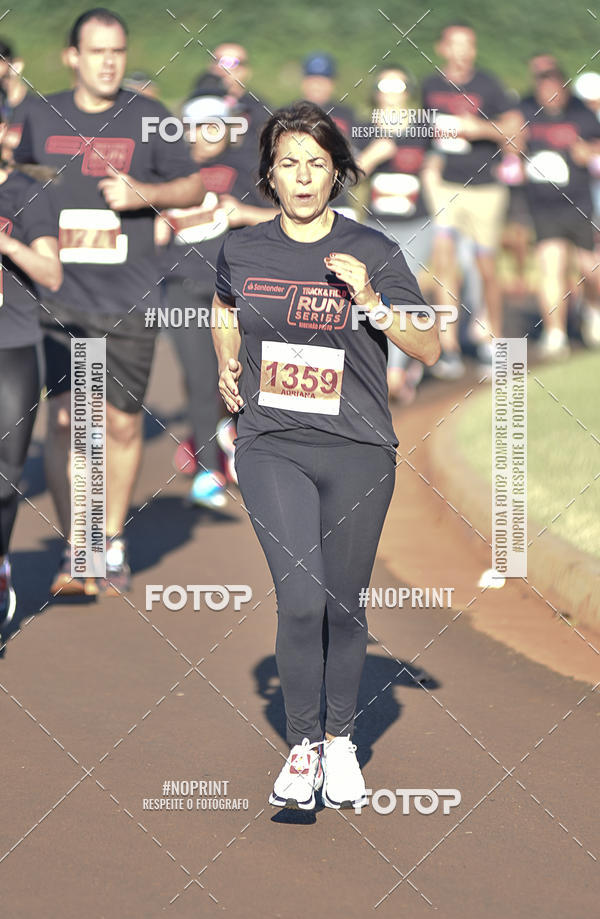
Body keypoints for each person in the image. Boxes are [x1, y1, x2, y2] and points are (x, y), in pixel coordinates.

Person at [212, 101, 440, 809]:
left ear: (336, 172)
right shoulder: (243, 248)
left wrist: (369, 297)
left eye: (317, 163)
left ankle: (342, 739)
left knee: (344, 605)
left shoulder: (372, 248)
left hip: (358, 446)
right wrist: (227, 361)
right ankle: (303, 745)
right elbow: (224, 306)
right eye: (289, 163)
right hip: (271, 442)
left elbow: (428, 345)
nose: (303, 176)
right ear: (270, 175)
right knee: (301, 597)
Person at [15, 8, 205, 596]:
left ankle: (111, 540)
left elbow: (194, 185)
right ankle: (80, 547)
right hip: (55, 296)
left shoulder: (151, 117)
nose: (108, 62)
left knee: (119, 426)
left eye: (117, 51)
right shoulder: (34, 114)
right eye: (96, 51)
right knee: (70, 422)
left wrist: (145, 192)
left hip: (128, 297)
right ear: (72, 56)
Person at [156, 76, 277, 508]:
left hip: (233, 294)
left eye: (212, 126)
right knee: (200, 378)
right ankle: (208, 471)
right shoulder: (167, 167)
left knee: (240, 374)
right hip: (181, 290)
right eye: (194, 127)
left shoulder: (246, 164)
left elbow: (286, 218)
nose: (202, 136)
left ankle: (239, 441)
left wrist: (242, 211)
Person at [422, 22, 523, 377]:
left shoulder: (489, 85)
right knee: (445, 262)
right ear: (443, 48)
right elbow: (426, 134)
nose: (463, 51)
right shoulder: (430, 85)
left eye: (469, 44)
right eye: (456, 44)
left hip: (486, 188)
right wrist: (429, 168)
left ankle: (494, 342)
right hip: (446, 186)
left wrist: (475, 127)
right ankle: (447, 346)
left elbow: (515, 129)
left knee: (486, 268)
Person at [0, 98, 62, 627]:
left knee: (4, 480)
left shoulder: (25, 193)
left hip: (11, 349)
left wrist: (7, 245)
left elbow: (52, 273)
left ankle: (0, 570)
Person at [356, 65, 436, 402]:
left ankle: (397, 370)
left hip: (417, 222)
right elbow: (350, 177)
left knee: (404, 291)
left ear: (408, 90)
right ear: (376, 91)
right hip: (377, 226)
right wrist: (373, 156)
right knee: (378, 295)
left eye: (398, 84)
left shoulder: (423, 127)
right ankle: (388, 365)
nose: (391, 91)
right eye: (384, 84)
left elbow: (432, 171)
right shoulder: (364, 128)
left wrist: (442, 223)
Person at [519, 59, 600, 357]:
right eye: (544, 88)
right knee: (549, 267)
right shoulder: (526, 111)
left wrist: (589, 152)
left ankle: (592, 309)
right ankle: (556, 334)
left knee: (590, 268)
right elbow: (509, 137)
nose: (549, 94)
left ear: (564, 90)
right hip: (542, 204)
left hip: (578, 202)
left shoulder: (582, 114)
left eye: (554, 88)